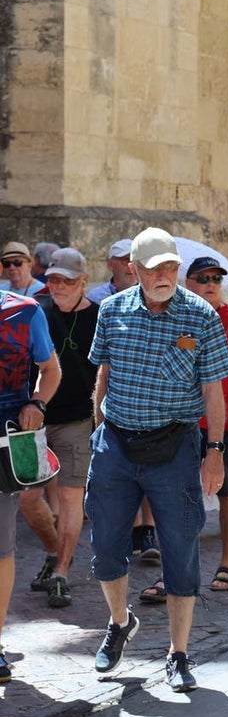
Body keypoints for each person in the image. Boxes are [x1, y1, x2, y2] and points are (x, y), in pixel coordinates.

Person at [85, 227, 228, 692]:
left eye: (171, 267)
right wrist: (97, 435)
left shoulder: (201, 316)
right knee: (108, 546)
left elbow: (214, 390)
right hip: (115, 443)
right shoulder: (111, 311)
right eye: (154, 268)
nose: (164, 275)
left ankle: (178, 653)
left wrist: (215, 453)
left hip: (175, 448)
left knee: (180, 549)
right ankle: (119, 622)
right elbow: (103, 375)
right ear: (134, 270)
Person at [137, 257, 228, 601]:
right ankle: (170, 574)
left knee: (227, 491)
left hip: (227, 424)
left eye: (216, 278)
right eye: (202, 278)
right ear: (188, 282)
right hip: (180, 422)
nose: (211, 283)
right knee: (172, 497)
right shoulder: (176, 317)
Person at [19, 248, 97, 609]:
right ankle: (53, 550)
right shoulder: (36, 310)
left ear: (84, 281)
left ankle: (62, 573)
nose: (59, 286)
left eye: (67, 280)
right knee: (26, 499)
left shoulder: (99, 316)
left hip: (79, 419)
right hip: (34, 421)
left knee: (70, 500)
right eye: (53, 278)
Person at [0, 288, 61, 683]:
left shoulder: (24, 311)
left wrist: (36, 404)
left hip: (3, 442)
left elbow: (50, 369)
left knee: (0, 545)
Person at [85, 239, 135, 304]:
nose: (131, 265)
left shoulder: (150, 296)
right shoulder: (95, 298)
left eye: (135, 261)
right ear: (110, 264)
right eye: (126, 260)